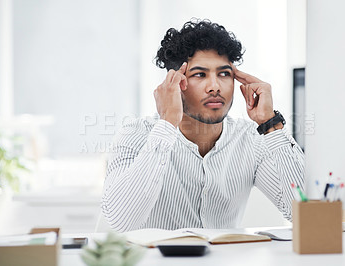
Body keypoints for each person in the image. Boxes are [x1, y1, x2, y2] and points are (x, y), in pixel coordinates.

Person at [102, 19, 305, 232]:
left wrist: (270, 123)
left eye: (224, 74)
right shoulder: (135, 134)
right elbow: (120, 223)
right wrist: (167, 123)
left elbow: (305, 213)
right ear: (174, 83)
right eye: (200, 75)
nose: (215, 86)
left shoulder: (250, 139)